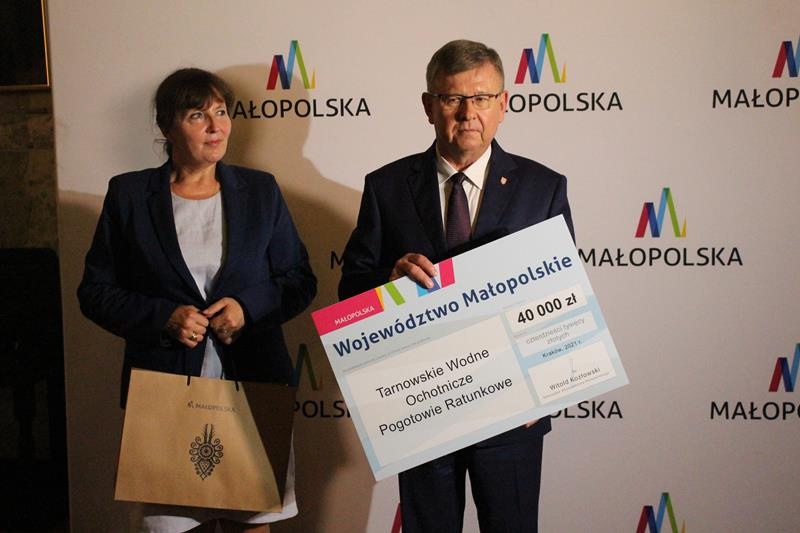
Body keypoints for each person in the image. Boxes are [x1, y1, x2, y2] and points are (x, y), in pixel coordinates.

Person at [338, 40, 574, 532]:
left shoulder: (543, 187)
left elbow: (564, 298)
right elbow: (351, 289)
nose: (468, 113)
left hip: (514, 412)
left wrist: (547, 392)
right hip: (424, 408)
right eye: (452, 99)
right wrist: (389, 282)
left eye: (482, 98)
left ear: (503, 104)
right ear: (429, 107)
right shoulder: (386, 186)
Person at [78, 68, 316, 533]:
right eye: (197, 115)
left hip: (253, 385)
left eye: (221, 113)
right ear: (167, 127)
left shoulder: (261, 191)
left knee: (252, 522)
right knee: (173, 525)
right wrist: (162, 317)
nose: (215, 126)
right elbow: (95, 291)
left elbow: (298, 280)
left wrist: (247, 309)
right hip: (164, 391)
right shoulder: (129, 195)